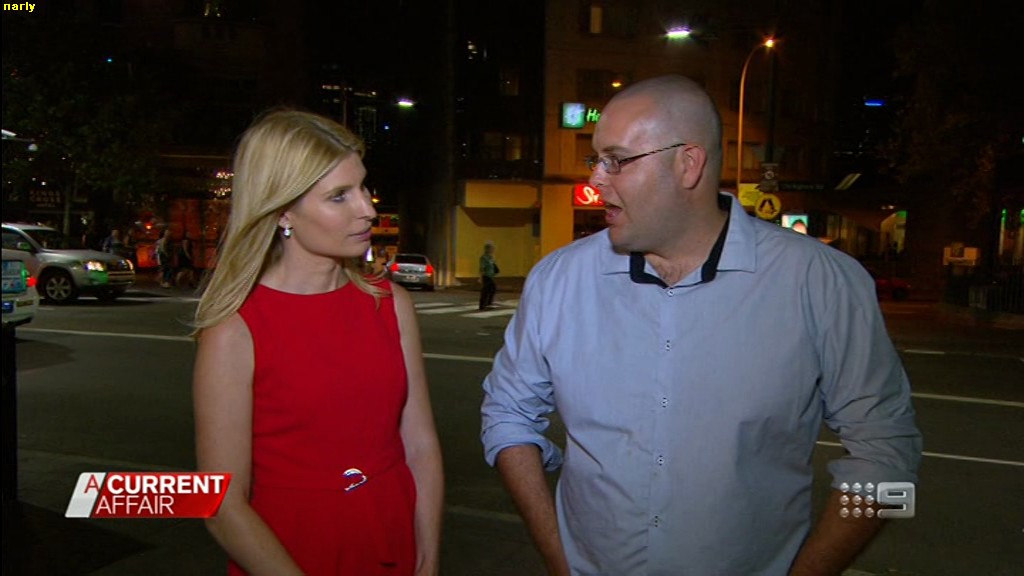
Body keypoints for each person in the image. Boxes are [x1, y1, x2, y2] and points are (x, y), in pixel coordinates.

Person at [480, 75, 921, 576]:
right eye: (595, 161)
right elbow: (507, 415)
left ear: (688, 164)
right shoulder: (558, 279)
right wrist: (558, 559)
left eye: (617, 160)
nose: (596, 181)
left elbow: (891, 457)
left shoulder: (822, 282)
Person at [192, 109, 444, 575]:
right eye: (339, 196)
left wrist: (428, 558)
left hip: (390, 535)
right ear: (283, 211)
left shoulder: (391, 303)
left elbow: (420, 445)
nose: (367, 209)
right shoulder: (234, 329)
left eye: (363, 187)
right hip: (289, 551)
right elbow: (223, 505)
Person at [478, 241, 498, 310]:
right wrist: (480, 278)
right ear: (487, 249)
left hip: (491, 276)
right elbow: (481, 268)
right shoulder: (484, 257)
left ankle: (488, 304)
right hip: (486, 276)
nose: (493, 250)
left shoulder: (491, 257)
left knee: (492, 289)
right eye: (492, 248)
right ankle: (482, 305)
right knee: (486, 291)